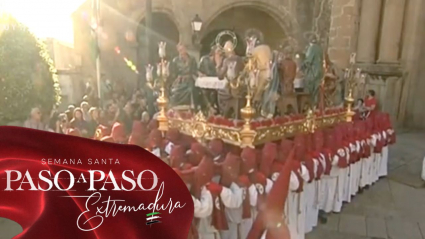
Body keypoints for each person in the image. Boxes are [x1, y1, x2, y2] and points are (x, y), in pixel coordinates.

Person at [169, 43, 199, 108]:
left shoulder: (192, 59)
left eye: (183, 49)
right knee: (175, 91)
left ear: (185, 49)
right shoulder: (175, 60)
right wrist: (176, 79)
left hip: (189, 80)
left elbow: (195, 70)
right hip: (180, 81)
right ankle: (175, 107)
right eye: (180, 50)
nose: (181, 51)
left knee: (190, 90)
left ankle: (192, 107)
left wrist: (198, 75)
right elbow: (173, 73)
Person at [302, 35, 324, 106]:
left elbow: (308, 61)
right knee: (316, 92)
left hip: (313, 73)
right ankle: (315, 107)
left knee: (308, 91)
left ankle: (309, 108)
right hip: (320, 73)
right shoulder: (320, 49)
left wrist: (302, 67)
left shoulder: (312, 48)